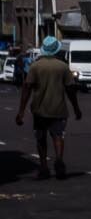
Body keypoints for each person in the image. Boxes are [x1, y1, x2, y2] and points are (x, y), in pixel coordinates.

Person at [16, 38, 81, 180]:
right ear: (56, 50)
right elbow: (71, 89)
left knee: (41, 138)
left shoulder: (35, 66)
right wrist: (76, 108)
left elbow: (27, 88)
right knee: (58, 136)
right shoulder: (63, 67)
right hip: (58, 108)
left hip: (39, 109)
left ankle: (44, 166)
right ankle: (58, 159)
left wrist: (21, 111)